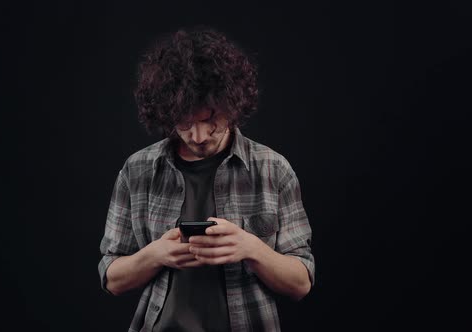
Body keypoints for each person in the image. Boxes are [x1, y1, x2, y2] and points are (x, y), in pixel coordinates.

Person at [98, 26, 315, 332]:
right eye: (185, 124)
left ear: (232, 106)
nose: (198, 136)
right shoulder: (137, 171)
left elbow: (301, 282)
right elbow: (111, 278)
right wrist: (155, 254)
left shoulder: (273, 169)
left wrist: (251, 248)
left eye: (210, 121)